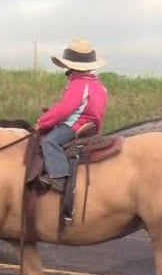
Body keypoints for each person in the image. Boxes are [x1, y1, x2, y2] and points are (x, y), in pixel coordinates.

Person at [35, 39, 108, 192]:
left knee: (49, 141)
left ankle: (58, 176)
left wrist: (43, 122)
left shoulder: (79, 84)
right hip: (89, 123)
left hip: (75, 124)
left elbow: (64, 109)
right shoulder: (98, 85)